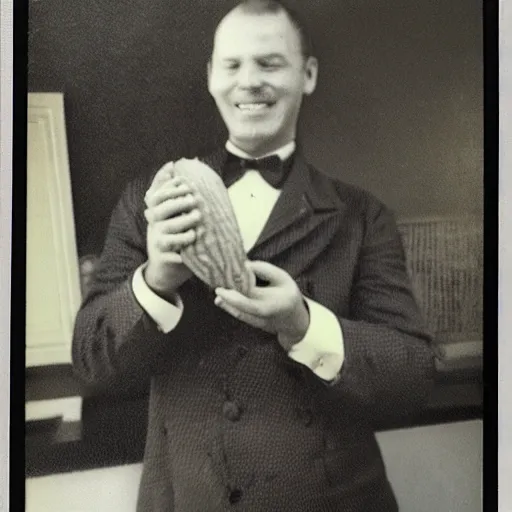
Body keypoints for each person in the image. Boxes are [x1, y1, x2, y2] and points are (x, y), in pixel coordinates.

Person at [72, 1, 437, 510]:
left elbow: (413, 374)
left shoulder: (360, 216)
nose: (249, 82)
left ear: (307, 75)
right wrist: (155, 279)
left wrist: (304, 325)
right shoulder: (148, 202)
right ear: (210, 77)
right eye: (233, 64)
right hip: (188, 498)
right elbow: (93, 365)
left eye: (269, 63)